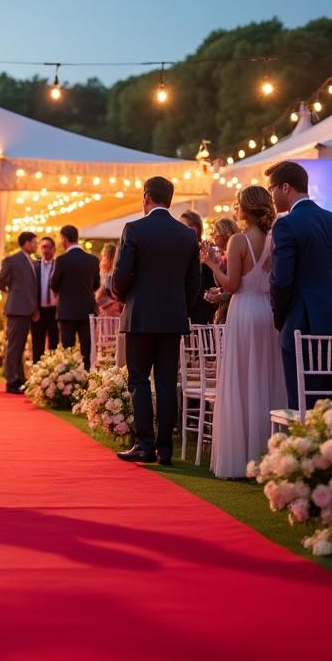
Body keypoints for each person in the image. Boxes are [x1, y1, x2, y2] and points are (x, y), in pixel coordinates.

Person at [112, 177, 199, 465]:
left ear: (147, 196)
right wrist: (179, 307)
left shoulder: (134, 229)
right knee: (165, 382)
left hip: (140, 316)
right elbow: (193, 282)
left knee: (138, 380)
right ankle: (165, 449)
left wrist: (125, 296)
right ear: (170, 199)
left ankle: (144, 444)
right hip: (172, 318)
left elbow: (121, 275)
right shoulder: (186, 235)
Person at [204, 186, 286, 478]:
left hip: (243, 312)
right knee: (265, 378)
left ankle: (243, 458)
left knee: (242, 379)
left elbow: (232, 285)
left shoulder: (239, 240)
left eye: (238, 204)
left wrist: (212, 263)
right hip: (267, 312)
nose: (234, 208)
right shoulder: (275, 238)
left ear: (246, 208)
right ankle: (269, 454)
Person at [268, 160, 332, 410]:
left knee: (304, 407)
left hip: (302, 323)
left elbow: (281, 280)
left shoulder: (286, 224)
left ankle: (306, 449)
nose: (272, 196)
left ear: (285, 187)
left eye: (272, 189)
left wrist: (281, 319)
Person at [49, 225, 100, 370]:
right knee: (86, 350)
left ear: (64, 239)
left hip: (67, 311)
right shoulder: (92, 260)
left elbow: (54, 284)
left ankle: (69, 381)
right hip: (87, 311)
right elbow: (96, 285)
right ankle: (86, 381)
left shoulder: (62, 260)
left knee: (68, 351)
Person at [0, 231, 40, 394]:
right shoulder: (12, 259)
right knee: (14, 346)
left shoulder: (32, 261)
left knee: (21, 346)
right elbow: (1, 282)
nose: (36, 245)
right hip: (16, 309)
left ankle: (20, 378)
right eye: (34, 242)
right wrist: (14, 292)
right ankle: (11, 380)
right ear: (27, 243)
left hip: (27, 310)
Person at [179, 211, 217, 325]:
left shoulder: (207, 251)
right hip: (185, 310)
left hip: (202, 311)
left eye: (181, 226)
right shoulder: (181, 251)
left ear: (194, 228)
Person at [31, 235, 59, 361]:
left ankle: (53, 370)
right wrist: (33, 308)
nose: (44, 250)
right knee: (37, 342)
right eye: (42, 247)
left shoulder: (59, 265)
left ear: (53, 249)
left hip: (55, 310)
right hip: (38, 310)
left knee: (54, 341)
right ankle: (37, 372)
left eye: (47, 247)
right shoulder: (34, 266)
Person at [94, 243, 122, 317]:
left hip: (111, 313)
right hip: (107, 313)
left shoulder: (109, 277)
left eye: (103, 257)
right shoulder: (105, 275)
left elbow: (98, 298)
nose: (101, 261)